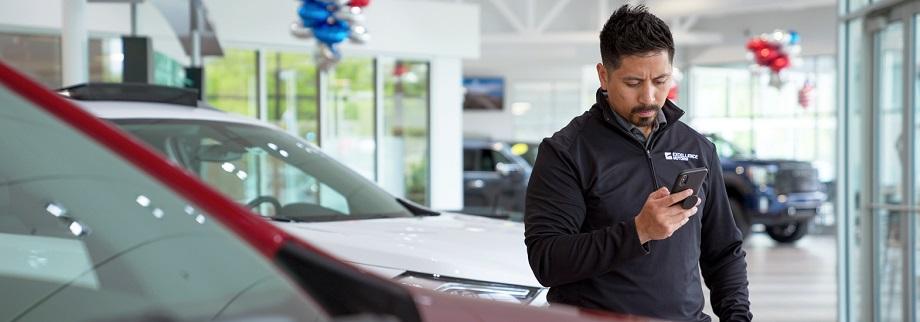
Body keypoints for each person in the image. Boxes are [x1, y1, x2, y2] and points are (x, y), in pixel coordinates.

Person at [523, 5, 752, 322]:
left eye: (661, 80)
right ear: (604, 75)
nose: (649, 96)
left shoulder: (697, 147)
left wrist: (737, 317)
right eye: (632, 83)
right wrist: (638, 231)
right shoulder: (566, 152)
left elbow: (724, 251)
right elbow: (546, 261)